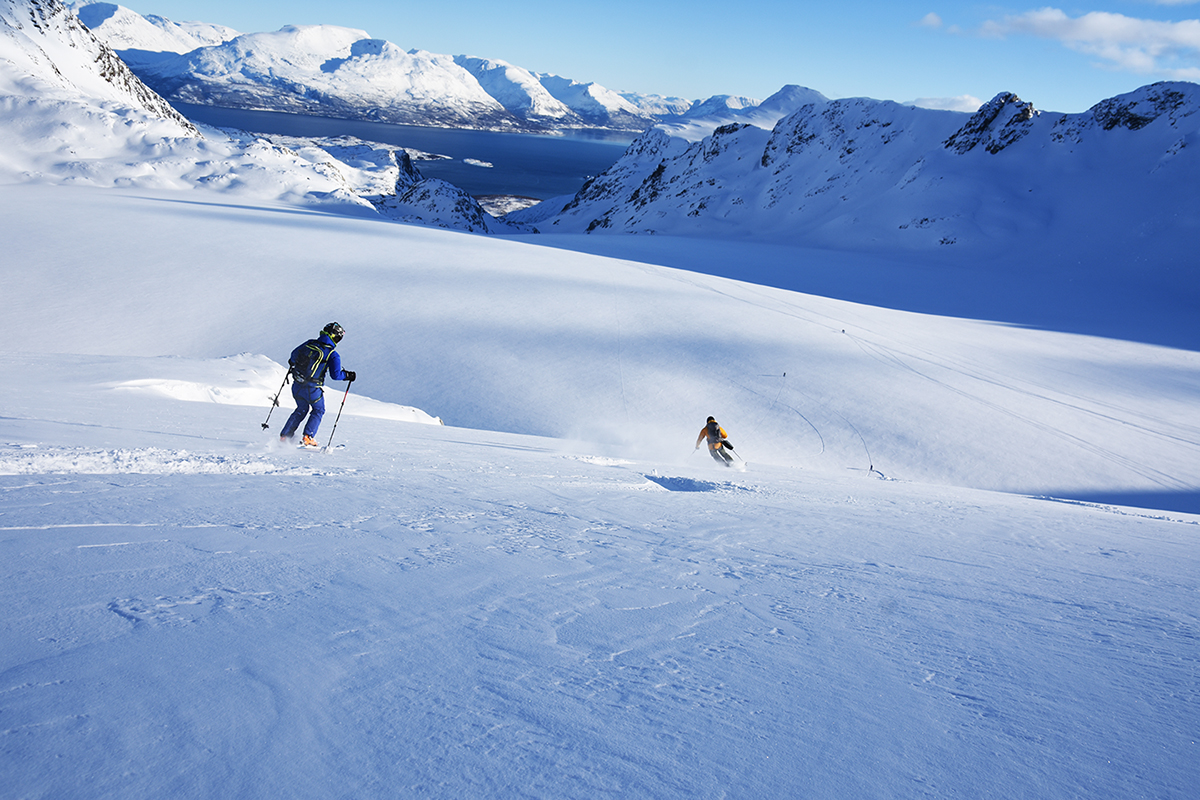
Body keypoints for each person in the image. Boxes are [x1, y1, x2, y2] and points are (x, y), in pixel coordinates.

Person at [280, 322, 356, 446]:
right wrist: (348, 375)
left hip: (297, 385)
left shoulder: (309, 343)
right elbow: (335, 375)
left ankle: (285, 436)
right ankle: (308, 437)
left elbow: (293, 356)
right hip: (312, 389)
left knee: (301, 409)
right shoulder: (332, 354)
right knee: (318, 410)